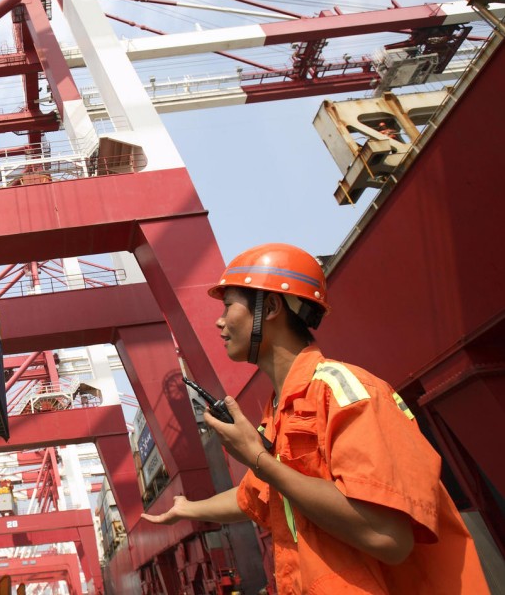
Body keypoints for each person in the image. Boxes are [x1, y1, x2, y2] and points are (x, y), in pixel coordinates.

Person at [141, 243, 490, 593]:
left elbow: (387, 537)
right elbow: (251, 496)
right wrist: (188, 508)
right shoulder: (280, 414)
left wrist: (258, 459)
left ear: (272, 307)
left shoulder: (345, 392)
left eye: (228, 305)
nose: (219, 321)